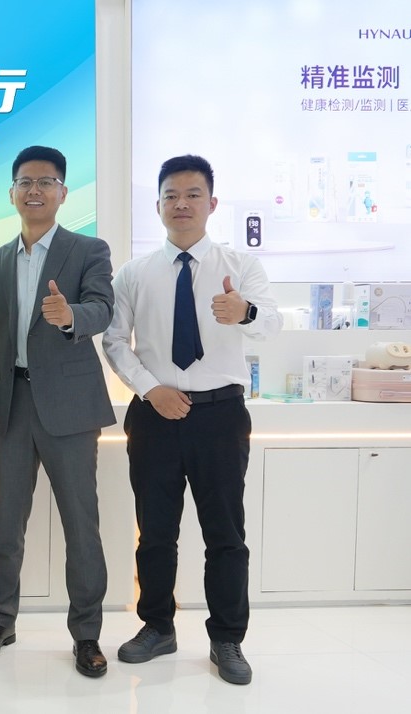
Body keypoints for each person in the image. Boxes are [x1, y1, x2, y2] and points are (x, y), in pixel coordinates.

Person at [103, 154, 282, 685]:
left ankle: (227, 638)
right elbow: (115, 340)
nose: (181, 204)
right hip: (154, 416)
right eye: (171, 196)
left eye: (192, 194)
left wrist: (245, 312)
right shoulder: (135, 273)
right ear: (158, 205)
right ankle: (157, 626)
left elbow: (271, 324)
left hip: (220, 415)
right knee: (155, 532)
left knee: (225, 533)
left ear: (212, 202)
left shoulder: (239, 266)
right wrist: (150, 389)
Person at [0, 146, 115, 677]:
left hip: (70, 409)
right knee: (6, 526)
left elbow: (102, 308)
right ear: (12, 192)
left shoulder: (88, 249)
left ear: (63, 192)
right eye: (26, 182)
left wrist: (69, 314)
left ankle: (86, 634)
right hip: (11, 406)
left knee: (81, 526)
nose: (35, 190)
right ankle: (0, 621)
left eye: (46, 182)